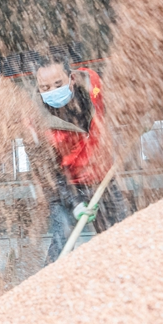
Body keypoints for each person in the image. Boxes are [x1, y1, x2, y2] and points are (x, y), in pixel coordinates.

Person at [36, 60, 128, 264]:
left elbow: (117, 103)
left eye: (58, 84)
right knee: (62, 242)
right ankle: (48, 285)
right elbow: (50, 175)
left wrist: (135, 118)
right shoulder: (38, 124)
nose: (52, 91)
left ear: (72, 79)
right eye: (45, 88)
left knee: (119, 236)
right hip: (67, 189)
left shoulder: (92, 84)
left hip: (104, 180)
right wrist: (75, 203)